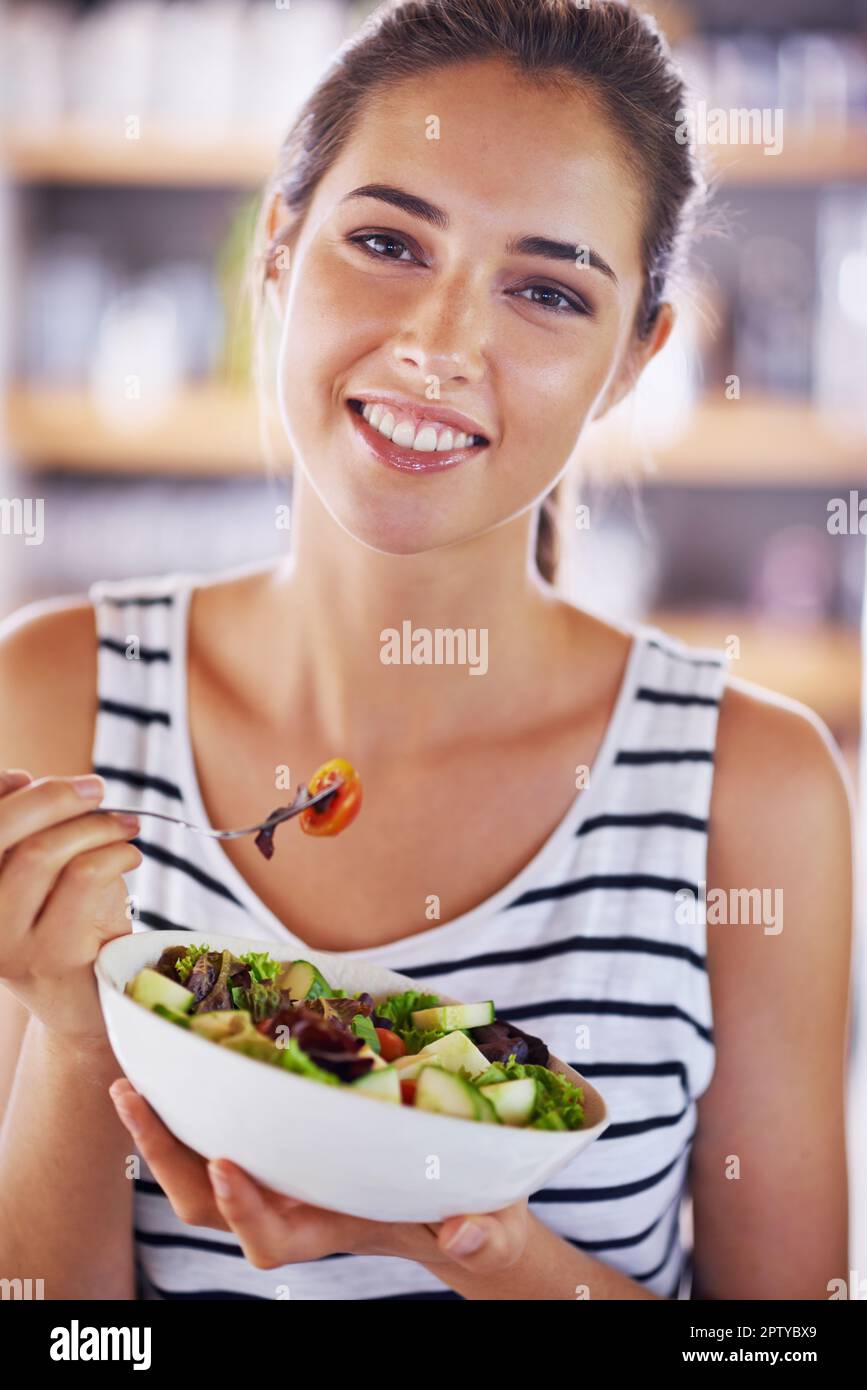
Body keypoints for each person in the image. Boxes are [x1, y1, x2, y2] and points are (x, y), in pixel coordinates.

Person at [0, 0, 852, 1301]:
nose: (441, 345)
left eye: (549, 289)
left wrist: (468, 1244)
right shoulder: (55, 699)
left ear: (635, 360)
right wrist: (71, 1039)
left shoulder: (756, 789)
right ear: (279, 249)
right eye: (389, 240)